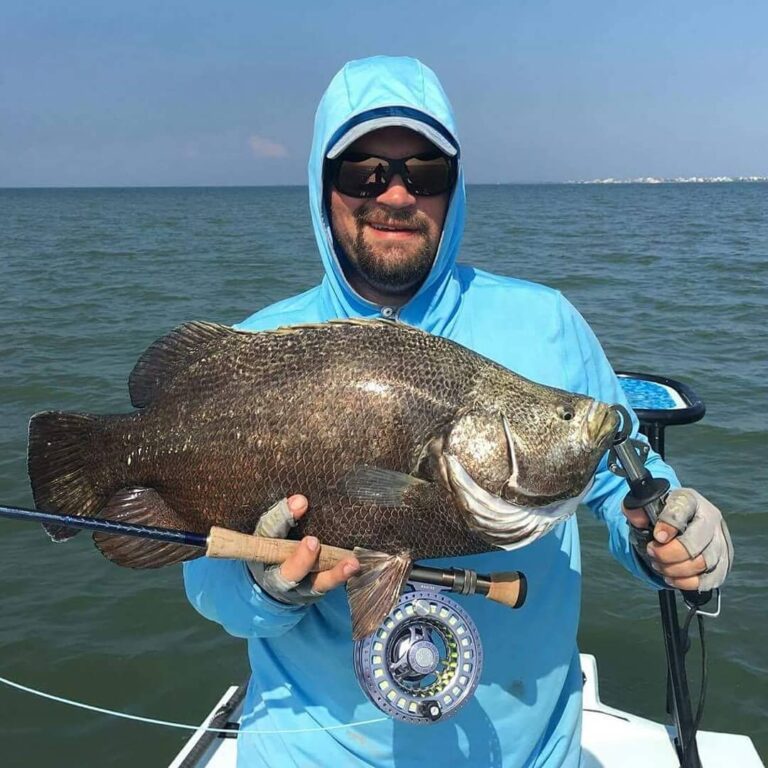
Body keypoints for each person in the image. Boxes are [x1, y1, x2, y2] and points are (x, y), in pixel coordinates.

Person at [183, 56, 733, 767]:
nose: (396, 195)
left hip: (529, 754)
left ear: (455, 186)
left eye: (425, 171)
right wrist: (265, 588)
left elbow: (619, 476)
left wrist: (673, 536)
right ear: (324, 186)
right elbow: (205, 580)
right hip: (307, 753)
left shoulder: (547, 323)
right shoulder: (259, 345)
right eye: (363, 171)